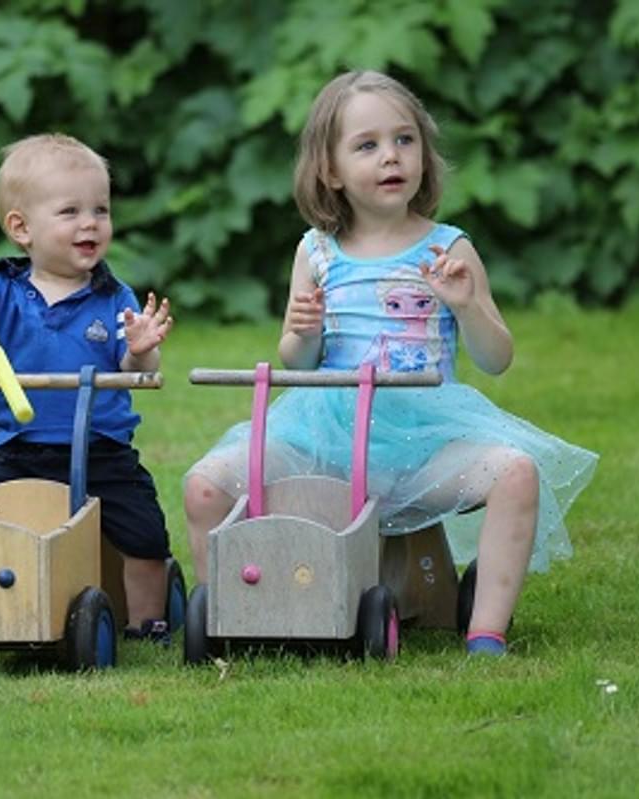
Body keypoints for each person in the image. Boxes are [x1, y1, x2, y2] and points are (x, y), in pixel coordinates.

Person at [182, 71, 598, 656]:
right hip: (328, 438)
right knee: (204, 484)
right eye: (367, 145)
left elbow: (496, 357)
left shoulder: (448, 248)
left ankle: (485, 631)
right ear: (330, 170)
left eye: (405, 140)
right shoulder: (316, 251)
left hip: (426, 444)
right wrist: (301, 331)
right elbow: (296, 358)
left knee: (517, 473)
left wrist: (467, 305)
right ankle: (236, 612)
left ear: (424, 155)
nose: (390, 157)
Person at [0, 133, 175, 643]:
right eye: (71, 211)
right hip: (20, 451)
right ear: (21, 228)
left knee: (145, 536)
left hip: (103, 451)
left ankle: (148, 623)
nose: (90, 223)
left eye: (100, 209)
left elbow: (132, 366)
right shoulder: (1, 290)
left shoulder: (111, 295)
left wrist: (141, 347)